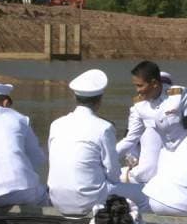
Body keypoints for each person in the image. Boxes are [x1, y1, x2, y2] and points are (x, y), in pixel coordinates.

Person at [48, 69, 150, 215]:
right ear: (99, 100)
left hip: (57, 198)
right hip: (89, 199)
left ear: (75, 97)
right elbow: (113, 174)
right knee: (146, 194)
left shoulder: (56, 124)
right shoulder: (104, 128)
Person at [116, 61, 187, 179]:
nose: (137, 90)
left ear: (154, 83)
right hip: (166, 156)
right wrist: (105, 158)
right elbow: (130, 140)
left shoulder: (180, 95)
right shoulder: (140, 106)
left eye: (140, 85)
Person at [120, 71, 172, 185]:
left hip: (142, 178)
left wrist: (132, 162)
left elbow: (130, 146)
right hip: (170, 179)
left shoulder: (138, 110)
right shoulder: (180, 111)